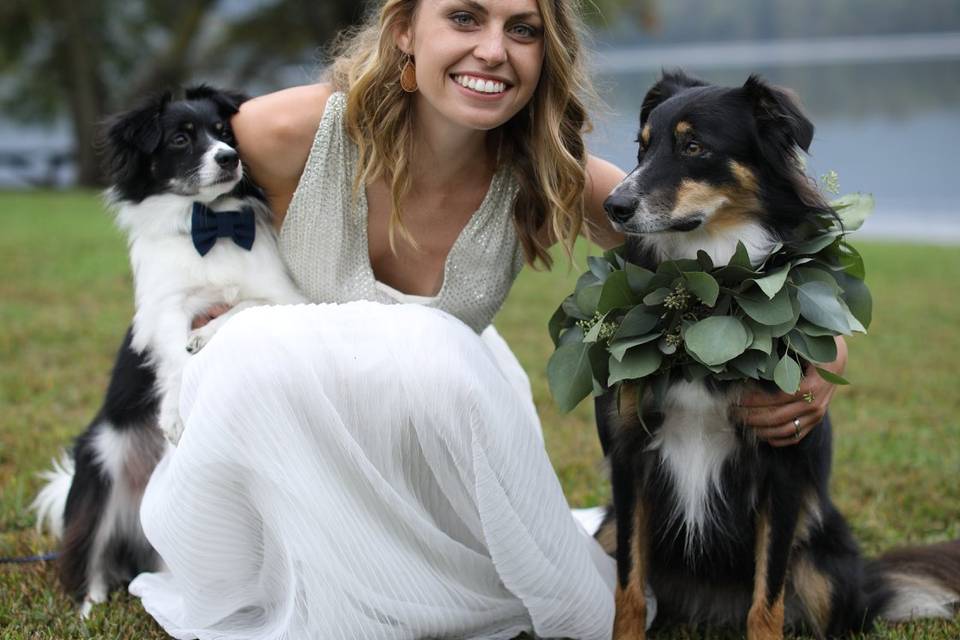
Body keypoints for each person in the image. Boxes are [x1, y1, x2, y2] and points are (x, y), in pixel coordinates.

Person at [128, 1, 845, 638]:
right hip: (280, 423)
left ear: (545, 55)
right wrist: (199, 306)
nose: (494, 49)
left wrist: (822, 362)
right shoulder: (285, 130)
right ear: (406, 29)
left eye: (523, 29)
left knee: (560, 592)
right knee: (285, 345)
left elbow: (742, 256)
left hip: (419, 431)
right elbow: (166, 201)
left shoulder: (546, 169)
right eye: (466, 18)